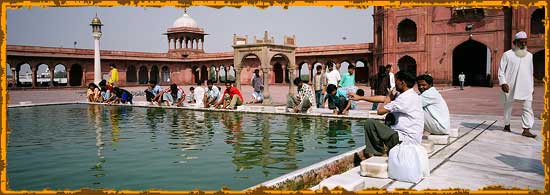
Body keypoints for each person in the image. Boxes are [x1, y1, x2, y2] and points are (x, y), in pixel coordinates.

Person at [350, 71, 424, 156]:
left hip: (406, 140)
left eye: (396, 81)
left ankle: (378, 152)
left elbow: (380, 111)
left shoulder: (405, 99)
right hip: (409, 137)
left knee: (370, 123)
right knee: (389, 117)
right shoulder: (409, 94)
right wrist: (360, 98)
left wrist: (389, 97)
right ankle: (386, 147)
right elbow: (383, 98)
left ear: (402, 82)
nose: (395, 84)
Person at [498, 31, 536, 138]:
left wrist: (531, 86)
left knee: (528, 107)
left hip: (526, 86)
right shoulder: (507, 54)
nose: (523, 44)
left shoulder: (529, 56)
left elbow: (530, 72)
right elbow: (501, 70)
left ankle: (526, 129)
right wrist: (503, 83)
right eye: (521, 42)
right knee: (508, 106)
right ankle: (507, 124)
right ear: (515, 42)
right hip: (510, 85)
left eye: (525, 42)